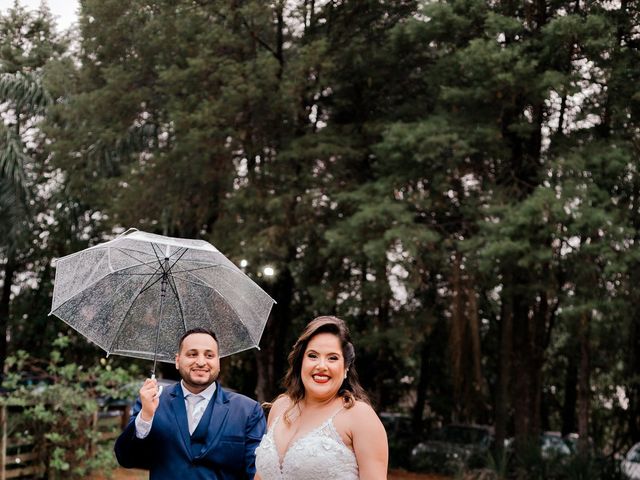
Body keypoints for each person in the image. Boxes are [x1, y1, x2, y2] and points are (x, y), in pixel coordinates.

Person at [114, 327, 266, 480]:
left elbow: (256, 472)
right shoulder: (152, 401)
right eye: (192, 354)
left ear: (218, 363)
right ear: (178, 360)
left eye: (209, 355)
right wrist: (146, 416)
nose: (201, 362)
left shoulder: (248, 410)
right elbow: (126, 459)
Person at [255, 316, 388, 480]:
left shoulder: (360, 417)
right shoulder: (281, 407)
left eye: (332, 358)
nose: (321, 366)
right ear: (300, 361)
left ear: (346, 366)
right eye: (312, 356)